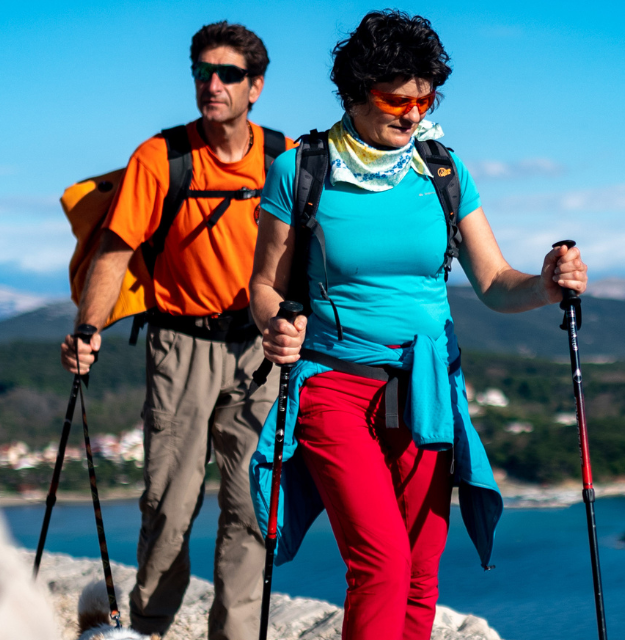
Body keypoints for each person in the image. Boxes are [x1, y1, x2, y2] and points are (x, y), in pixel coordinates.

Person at [246, 10, 588, 640]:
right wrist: (276, 326)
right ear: (355, 92)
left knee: (421, 569)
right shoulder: (303, 169)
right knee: (380, 562)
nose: (412, 114)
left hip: (427, 386)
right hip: (334, 384)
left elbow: (494, 282)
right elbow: (264, 285)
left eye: (424, 100)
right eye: (396, 100)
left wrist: (545, 285)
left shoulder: (444, 171)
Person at [60, 21, 284, 640]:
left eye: (229, 74)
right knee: (168, 505)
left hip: (260, 350)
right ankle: (149, 630)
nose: (213, 85)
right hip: (180, 346)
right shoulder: (161, 158)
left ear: (256, 87)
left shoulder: (283, 159)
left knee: (252, 504)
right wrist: (88, 328)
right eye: (203, 73)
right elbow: (114, 252)